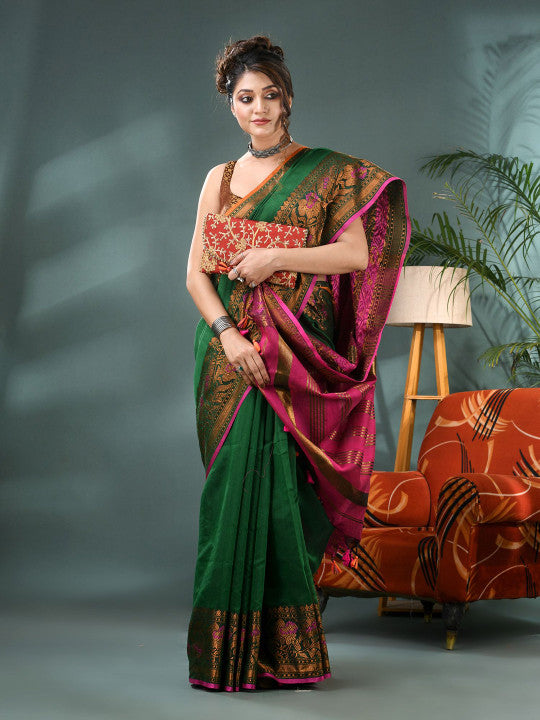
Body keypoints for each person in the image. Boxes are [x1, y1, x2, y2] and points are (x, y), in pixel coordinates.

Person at [185, 35, 410, 692]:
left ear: (287, 100)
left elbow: (355, 255)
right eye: (244, 98)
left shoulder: (328, 172)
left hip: (294, 357)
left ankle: (283, 655)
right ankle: (221, 659)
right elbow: (196, 275)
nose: (258, 108)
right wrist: (228, 336)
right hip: (229, 358)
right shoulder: (218, 180)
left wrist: (275, 258)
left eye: (269, 95)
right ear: (231, 105)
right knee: (229, 497)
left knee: (287, 495)